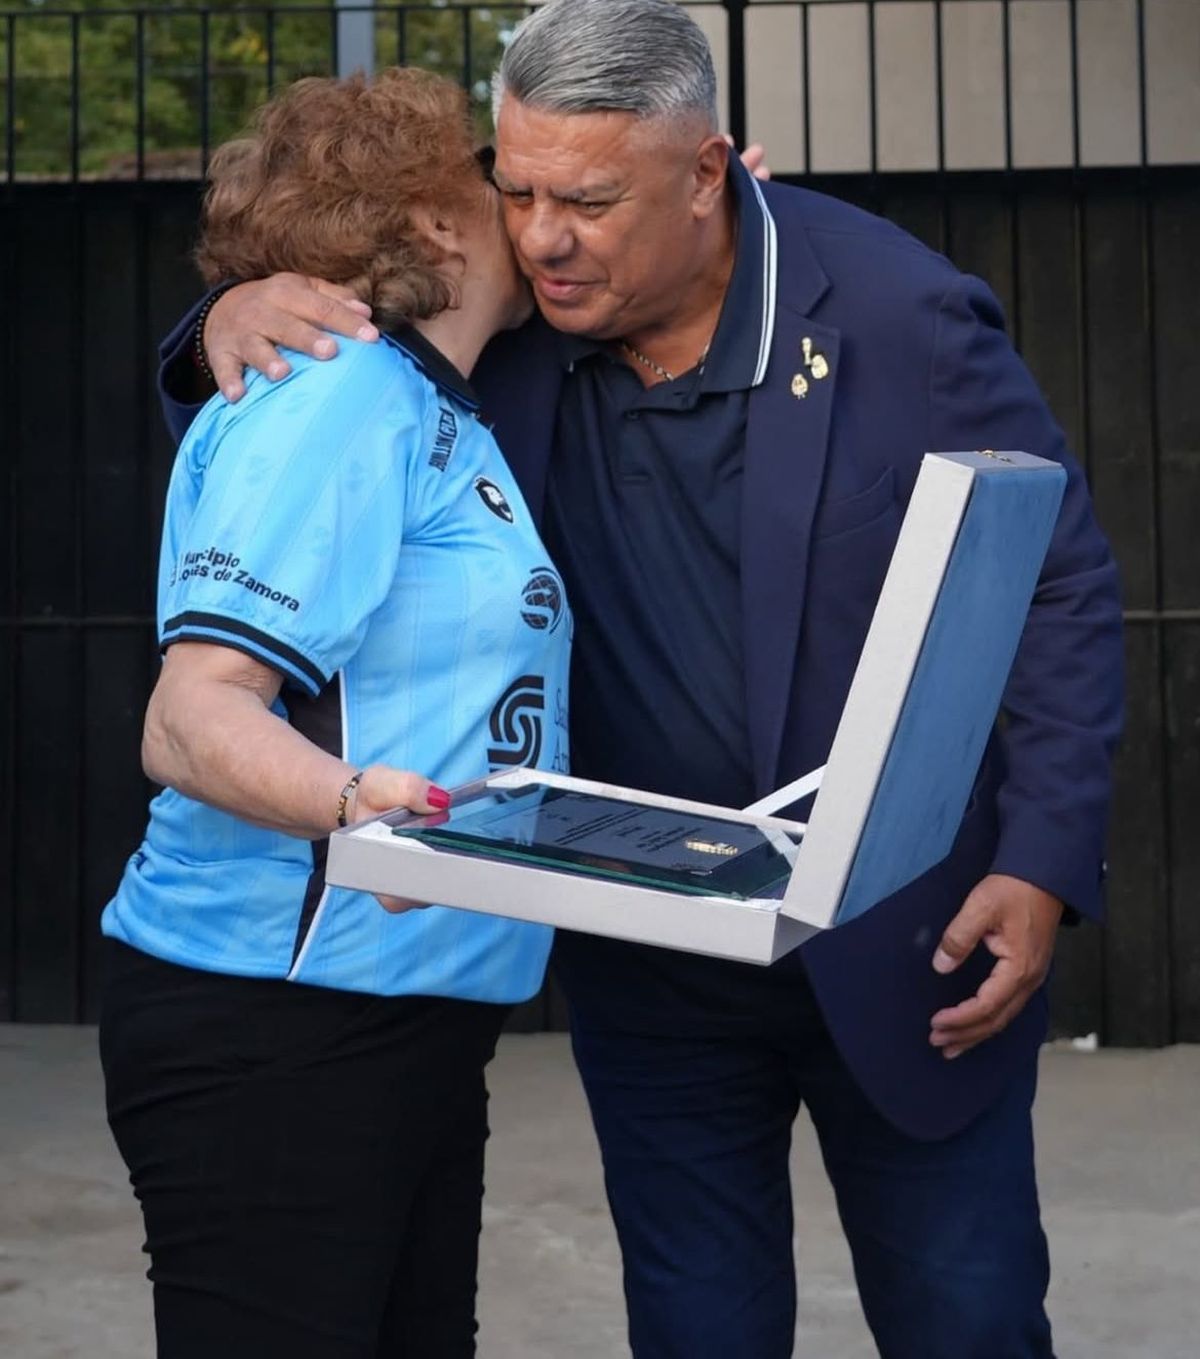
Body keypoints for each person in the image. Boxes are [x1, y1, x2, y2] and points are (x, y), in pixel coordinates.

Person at [156, 2, 1125, 1355]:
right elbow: (313, 391)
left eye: (593, 201)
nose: (546, 237)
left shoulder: (900, 314)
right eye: (520, 192)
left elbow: (1056, 583)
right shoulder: (515, 316)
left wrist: (1041, 859)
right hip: (653, 951)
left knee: (964, 1317)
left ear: (707, 173)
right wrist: (229, 309)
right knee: (694, 1326)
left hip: (909, 933)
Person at [100, 67, 571, 1359]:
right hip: (279, 1013)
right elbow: (188, 719)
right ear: (431, 221)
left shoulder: (432, 399)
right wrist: (356, 804)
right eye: (490, 177)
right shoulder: (346, 394)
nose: (524, 205)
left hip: (403, 1012)